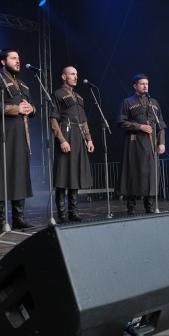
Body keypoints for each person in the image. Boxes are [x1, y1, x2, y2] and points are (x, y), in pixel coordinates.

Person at [0, 49, 35, 232]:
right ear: (3, 61)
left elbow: (30, 106)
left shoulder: (23, 84)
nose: (18, 61)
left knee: (19, 173)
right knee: (1, 174)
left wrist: (31, 109)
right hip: (4, 133)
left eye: (19, 58)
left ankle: (18, 217)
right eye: (14, 58)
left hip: (22, 134)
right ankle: (1, 221)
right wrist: (17, 109)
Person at [117, 74, 166, 215]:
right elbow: (121, 122)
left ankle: (149, 207)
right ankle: (131, 207)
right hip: (135, 144)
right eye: (142, 84)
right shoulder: (127, 102)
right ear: (135, 86)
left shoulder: (154, 103)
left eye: (147, 84)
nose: (145, 86)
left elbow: (160, 125)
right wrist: (139, 127)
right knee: (134, 173)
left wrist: (161, 143)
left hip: (151, 144)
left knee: (151, 175)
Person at [50, 66, 94, 223]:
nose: (75, 77)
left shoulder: (79, 97)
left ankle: (73, 211)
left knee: (74, 174)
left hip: (78, 136)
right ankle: (62, 214)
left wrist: (89, 139)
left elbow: (84, 121)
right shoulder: (57, 94)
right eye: (72, 74)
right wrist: (62, 140)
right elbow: (54, 119)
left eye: (76, 74)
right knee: (63, 176)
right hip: (66, 133)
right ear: (64, 76)